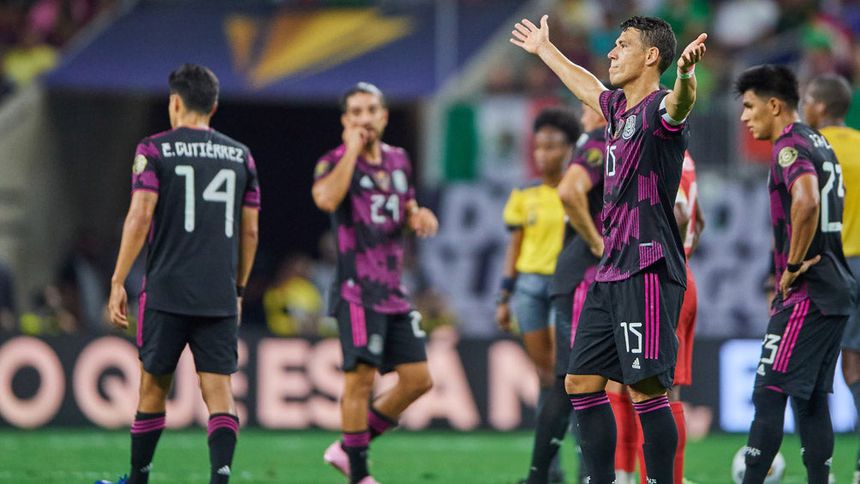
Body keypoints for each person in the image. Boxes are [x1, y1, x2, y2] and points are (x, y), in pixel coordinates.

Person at [512, 14, 707, 483]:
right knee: (579, 382)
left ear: (651, 56)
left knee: (646, 391)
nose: (612, 52)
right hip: (610, 269)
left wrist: (685, 75)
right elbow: (588, 88)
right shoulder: (618, 110)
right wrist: (545, 50)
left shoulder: (660, 109)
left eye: (623, 45)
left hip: (647, 268)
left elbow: (681, 104)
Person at [99, 64, 261, 484]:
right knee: (219, 392)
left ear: (175, 102)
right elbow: (250, 231)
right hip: (218, 294)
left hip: (167, 290)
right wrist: (239, 289)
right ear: (214, 106)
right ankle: (220, 479)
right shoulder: (241, 155)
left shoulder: (154, 149)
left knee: (153, 388)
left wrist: (117, 280)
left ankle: (138, 479)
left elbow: (140, 215)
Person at [312, 82, 439, 484]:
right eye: (356, 112)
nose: (365, 118)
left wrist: (417, 216)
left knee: (418, 379)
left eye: (371, 110)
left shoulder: (399, 160)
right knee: (360, 379)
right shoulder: (333, 161)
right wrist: (351, 150)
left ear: (384, 116)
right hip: (356, 290)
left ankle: (348, 446)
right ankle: (359, 474)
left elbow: (406, 206)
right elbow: (326, 200)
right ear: (345, 121)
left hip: (394, 290)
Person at [735, 64, 856, 484]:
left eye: (749, 106)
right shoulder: (819, 141)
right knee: (811, 400)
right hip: (836, 287)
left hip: (809, 291)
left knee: (768, 391)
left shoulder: (789, 145)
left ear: (774, 105)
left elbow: (806, 200)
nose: (744, 117)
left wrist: (790, 266)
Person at [521, 103, 606, 484]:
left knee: (581, 381)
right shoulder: (597, 142)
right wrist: (598, 243)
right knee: (571, 380)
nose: (585, 113)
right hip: (583, 278)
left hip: (588, 277)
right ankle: (550, 475)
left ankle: (578, 474)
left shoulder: (614, 142)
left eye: (588, 106)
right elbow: (570, 194)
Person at [496, 106, 581, 484]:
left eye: (552, 146)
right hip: (529, 287)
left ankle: (584, 466)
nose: (542, 154)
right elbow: (514, 247)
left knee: (569, 378)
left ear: (570, 148)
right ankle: (551, 469)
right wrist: (503, 296)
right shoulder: (524, 194)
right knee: (546, 376)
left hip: (566, 286)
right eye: (539, 146)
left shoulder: (578, 189)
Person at [632, 150, 705, 484]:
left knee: (646, 391)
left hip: (661, 281)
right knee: (667, 392)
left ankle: (648, 478)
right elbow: (698, 222)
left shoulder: (657, 150)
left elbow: (680, 213)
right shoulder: (686, 157)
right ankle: (673, 478)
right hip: (683, 277)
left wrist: (658, 261)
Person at [802, 73, 860, 484]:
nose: (804, 106)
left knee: (843, 365)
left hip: (837, 264)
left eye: (807, 99)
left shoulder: (812, 148)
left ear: (820, 106)